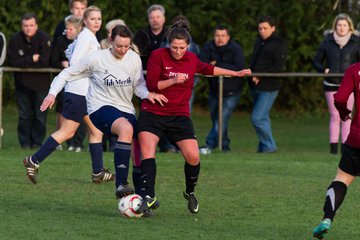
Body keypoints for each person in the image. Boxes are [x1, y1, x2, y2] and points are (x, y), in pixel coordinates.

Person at [39, 24, 167, 200]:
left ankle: (141, 199)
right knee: (126, 129)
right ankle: (121, 183)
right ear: (110, 42)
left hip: (125, 108)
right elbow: (67, 73)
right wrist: (52, 93)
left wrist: (149, 94)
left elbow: (138, 85)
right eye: (118, 45)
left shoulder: (134, 59)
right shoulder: (96, 59)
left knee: (140, 148)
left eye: (126, 46)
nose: (123, 50)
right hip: (100, 108)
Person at [136, 26, 251, 216]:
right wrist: (173, 81)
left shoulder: (191, 59)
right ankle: (149, 196)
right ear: (168, 44)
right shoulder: (158, 55)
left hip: (179, 116)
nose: (178, 51)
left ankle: (190, 192)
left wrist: (236, 73)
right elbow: (152, 84)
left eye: (182, 48)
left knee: (193, 156)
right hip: (153, 112)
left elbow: (209, 69)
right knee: (148, 151)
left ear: (188, 46)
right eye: (174, 47)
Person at [22, 6, 114, 184]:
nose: (97, 22)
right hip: (78, 92)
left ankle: (98, 172)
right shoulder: (87, 37)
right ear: (85, 21)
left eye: (99, 19)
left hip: (85, 93)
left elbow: (71, 51)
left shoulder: (87, 37)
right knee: (67, 132)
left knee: (96, 131)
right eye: (93, 18)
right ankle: (33, 161)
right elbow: (75, 61)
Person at [312, 62, 360, 239]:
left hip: (356, 139)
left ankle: (327, 218)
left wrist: (343, 112)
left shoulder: (354, 70)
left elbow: (340, 98)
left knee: (342, 179)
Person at [313, 13, 359, 154]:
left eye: (344, 25)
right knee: (334, 115)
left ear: (349, 27)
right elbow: (316, 61)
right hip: (331, 83)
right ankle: (333, 149)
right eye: (339, 25)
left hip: (349, 85)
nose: (341, 28)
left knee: (346, 115)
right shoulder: (327, 42)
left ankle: (346, 147)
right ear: (335, 26)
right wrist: (324, 69)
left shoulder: (356, 42)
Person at [133, 4, 176, 153]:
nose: (155, 20)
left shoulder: (171, 35)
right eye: (152, 17)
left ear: (163, 19)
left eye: (158, 17)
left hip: (165, 81)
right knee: (146, 112)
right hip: (144, 80)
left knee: (165, 111)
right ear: (148, 19)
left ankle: (166, 144)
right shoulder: (141, 35)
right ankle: (144, 144)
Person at [7, 13, 52, 149]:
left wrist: (23, 62)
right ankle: (25, 143)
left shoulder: (44, 38)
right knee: (24, 116)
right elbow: (13, 61)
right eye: (25, 26)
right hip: (22, 85)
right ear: (22, 26)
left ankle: (37, 143)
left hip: (41, 85)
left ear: (36, 25)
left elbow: (45, 62)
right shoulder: (15, 39)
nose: (28, 28)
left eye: (31, 25)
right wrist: (32, 59)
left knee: (39, 116)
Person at [199, 25, 245, 154]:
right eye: (217, 36)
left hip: (232, 92)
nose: (220, 38)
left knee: (221, 120)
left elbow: (238, 67)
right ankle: (224, 147)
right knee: (216, 120)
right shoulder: (208, 47)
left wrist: (217, 64)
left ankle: (209, 145)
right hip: (214, 90)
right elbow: (201, 64)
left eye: (223, 36)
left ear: (228, 37)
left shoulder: (236, 48)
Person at [248, 16, 287, 153]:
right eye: (260, 28)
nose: (262, 31)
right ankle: (264, 148)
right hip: (255, 87)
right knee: (263, 118)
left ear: (273, 28)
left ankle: (269, 146)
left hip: (269, 87)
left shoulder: (279, 44)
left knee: (257, 118)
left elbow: (278, 67)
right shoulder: (259, 41)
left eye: (265, 28)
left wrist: (260, 75)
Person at [50, 14, 86, 152]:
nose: (68, 31)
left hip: (80, 83)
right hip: (64, 82)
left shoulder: (83, 43)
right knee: (63, 111)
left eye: (71, 29)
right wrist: (62, 62)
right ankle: (63, 141)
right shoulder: (60, 41)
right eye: (67, 28)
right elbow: (53, 59)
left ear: (78, 29)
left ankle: (77, 143)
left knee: (82, 113)